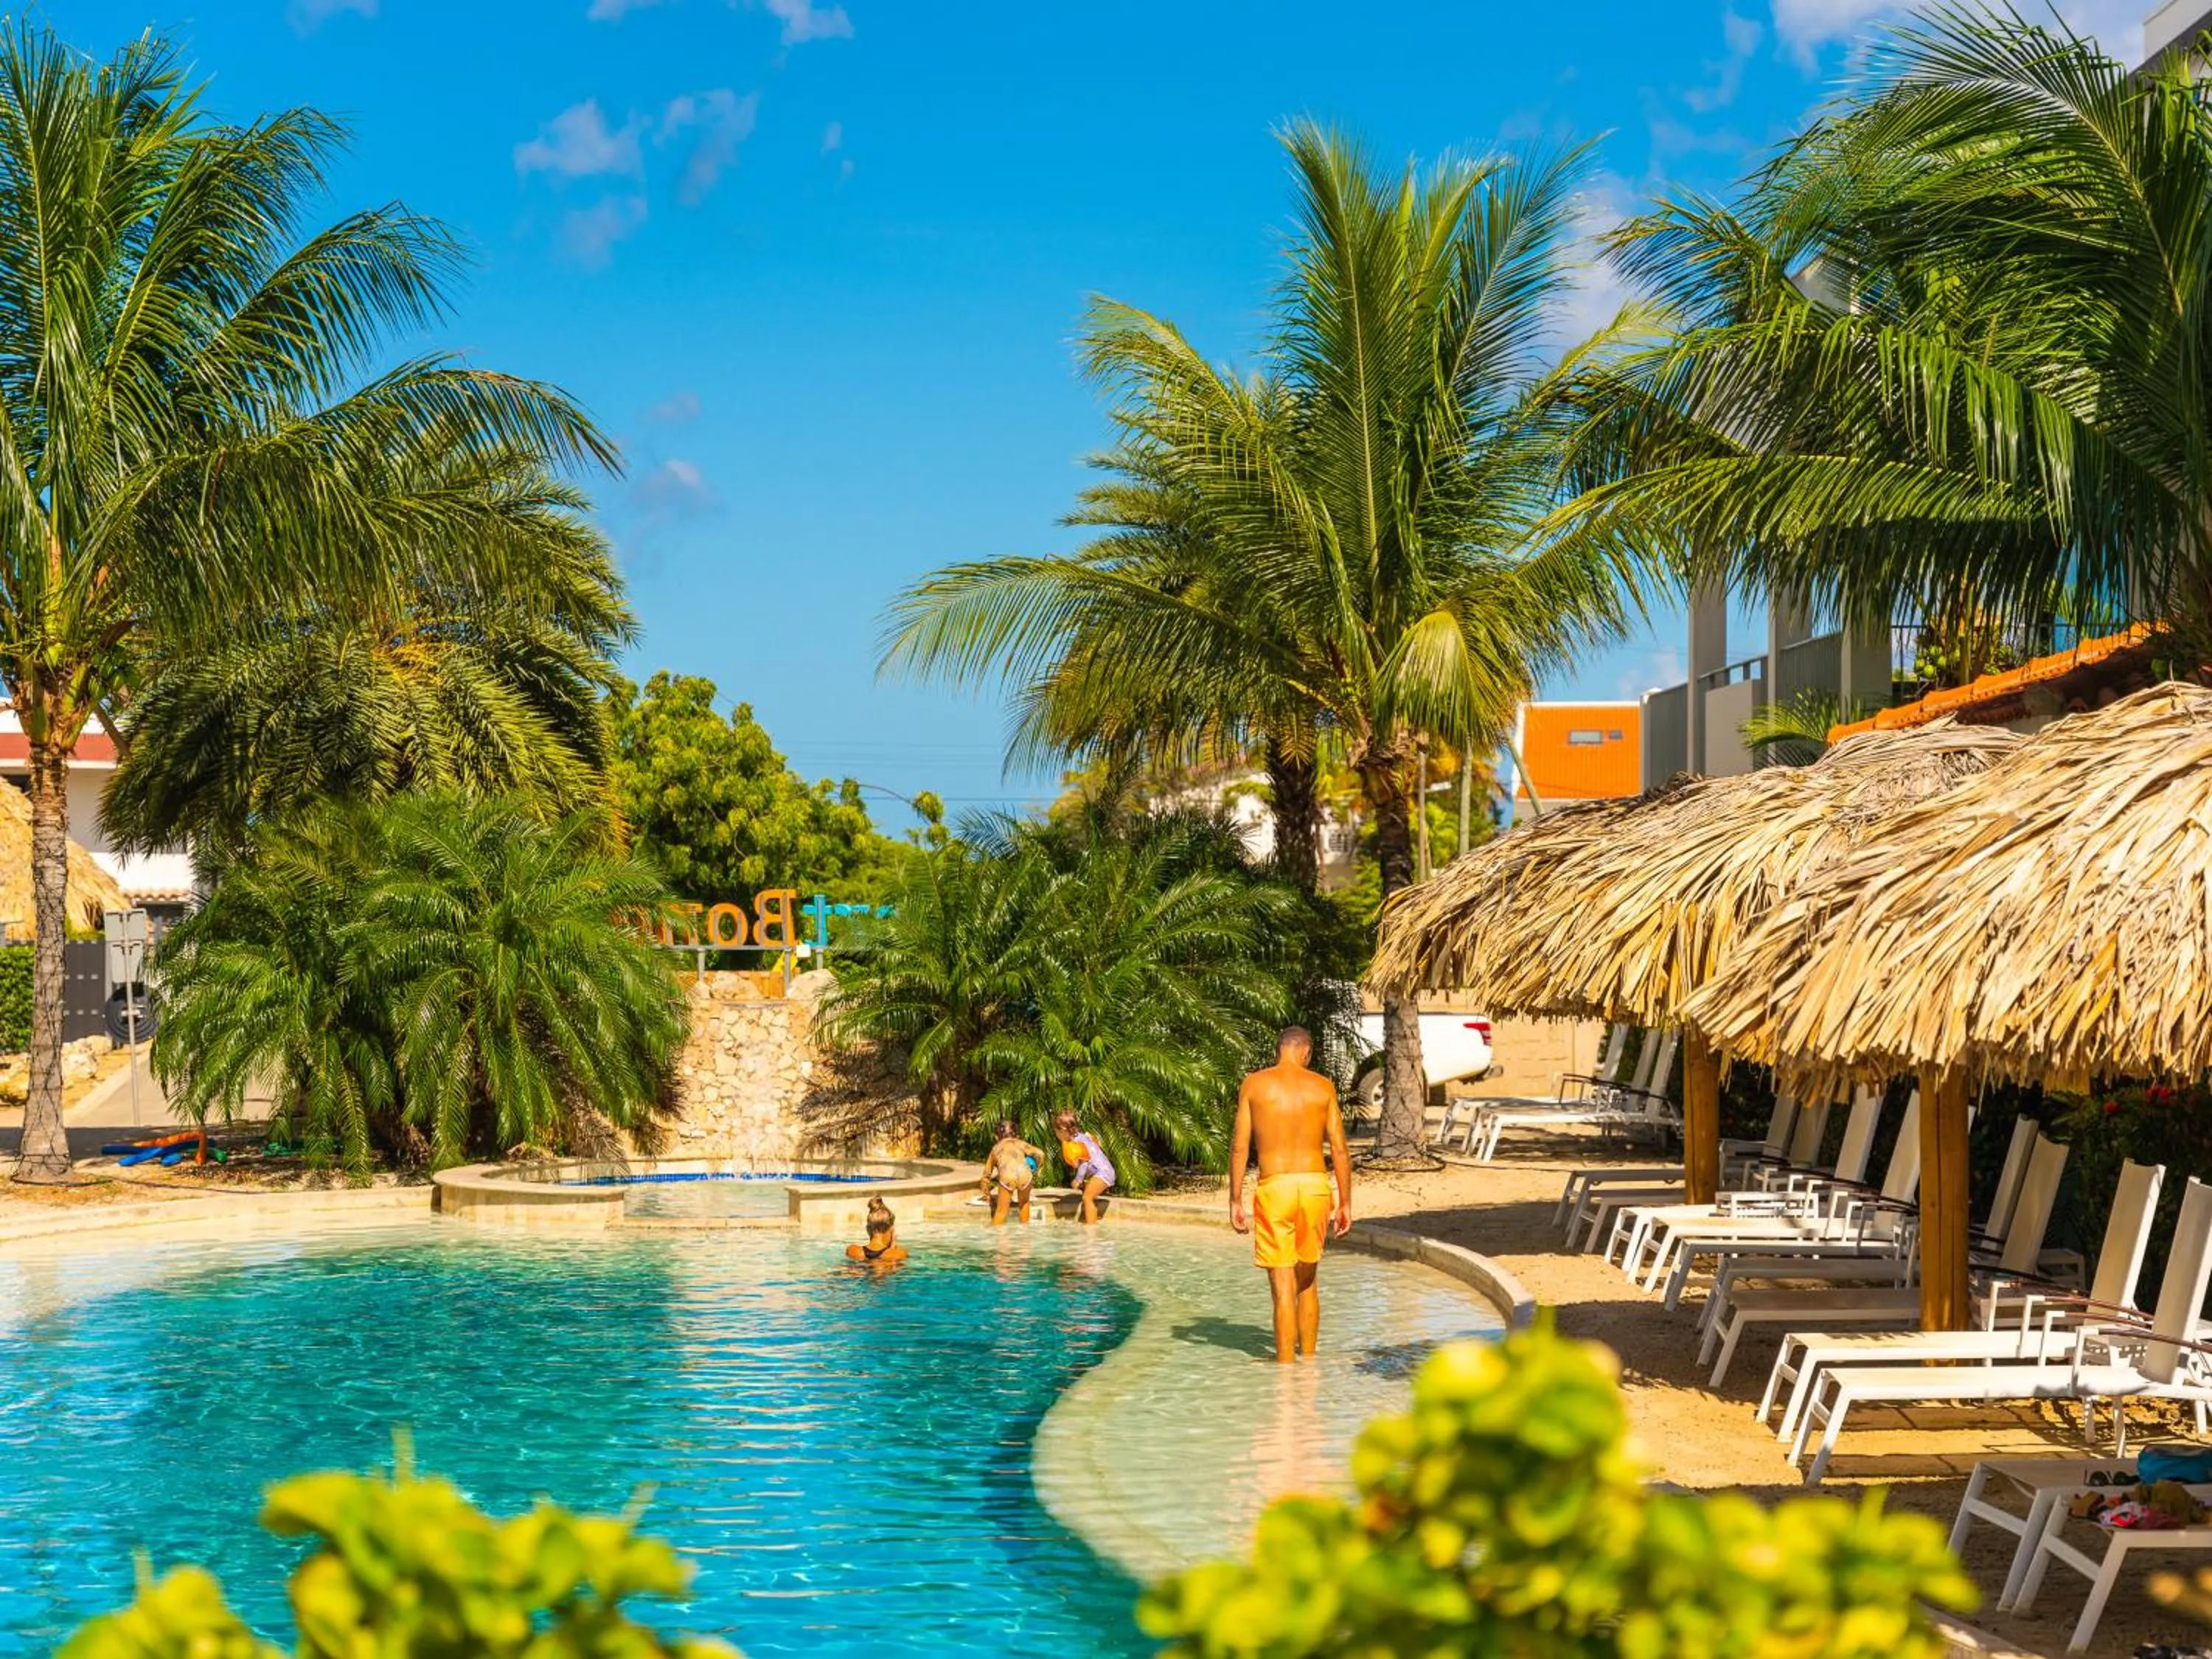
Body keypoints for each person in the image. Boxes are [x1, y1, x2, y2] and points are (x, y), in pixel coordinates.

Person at [1229, 1026, 1351, 1363]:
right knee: (1308, 1279)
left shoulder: (1254, 1085)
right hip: (1314, 1186)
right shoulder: (1323, 1086)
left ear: (1279, 1050)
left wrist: (1235, 1199)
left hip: (1276, 1187)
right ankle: (1309, 1366)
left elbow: (1240, 1147)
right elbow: (1340, 1150)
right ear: (1306, 1052)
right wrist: (1346, 1203)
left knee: (1283, 1285)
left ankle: (1285, 1373)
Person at [1054, 1110, 1115, 1224]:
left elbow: (1084, 1163)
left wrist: (1078, 1179)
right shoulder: (1082, 1137)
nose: (1056, 1134)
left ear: (1063, 1130)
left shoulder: (1076, 1143)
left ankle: (1091, 1230)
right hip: (1105, 1171)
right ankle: (1091, 1216)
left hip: (1103, 1173)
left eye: (1056, 1131)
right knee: (1088, 1195)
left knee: (1087, 1198)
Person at [980, 1119, 1045, 1225]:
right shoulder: (1021, 1144)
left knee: (1001, 1212)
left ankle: (997, 1239)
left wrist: (986, 1195)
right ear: (1017, 1136)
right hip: (1025, 1174)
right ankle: (1025, 1236)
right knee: (1024, 1204)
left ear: (996, 1137)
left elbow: (986, 1175)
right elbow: (1040, 1154)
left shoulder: (996, 1148)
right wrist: (1036, 1170)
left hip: (1008, 1176)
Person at [846, 1203, 908, 1269]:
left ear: (868, 1229)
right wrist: (893, 1247)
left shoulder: (853, 1251)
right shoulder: (899, 1254)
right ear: (891, 1229)